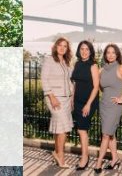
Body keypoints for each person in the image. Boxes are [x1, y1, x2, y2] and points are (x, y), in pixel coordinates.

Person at [96, 44, 122, 171]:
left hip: (114, 106)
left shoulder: (120, 68)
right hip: (104, 105)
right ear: (105, 55)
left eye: (113, 52)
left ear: (117, 55)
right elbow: (100, 87)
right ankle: (115, 158)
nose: (111, 55)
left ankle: (99, 163)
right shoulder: (101, 70)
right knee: (111, 134)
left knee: (105, 135)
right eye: (108, 52)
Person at [41, 37, 73, 168]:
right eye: (60, 45)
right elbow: (44, 79)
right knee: (63, 128)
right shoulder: (49, 60)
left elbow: (69, 81)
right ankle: (61, 157)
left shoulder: (66, 62)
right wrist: (51, 96)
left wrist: (71, 96)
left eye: (65, 46)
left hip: (66, 99)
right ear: (55, 46)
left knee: (60, 128)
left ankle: (56, 152)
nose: (62, 48)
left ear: (67, 49)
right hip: (54, 97)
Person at [72, 41, 101, 170]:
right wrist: (72, 100)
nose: (84, 51)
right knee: (80, 129)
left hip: (89, 102)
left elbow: (96, 87)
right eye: (82, 49)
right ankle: (85, 156)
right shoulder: (77, 64)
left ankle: (85, 158)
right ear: (79, 51)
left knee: (82, 130)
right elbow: (75, 84)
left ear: (90, 51)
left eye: (87, 49)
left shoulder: (93, 66)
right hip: (77, 101)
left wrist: (88, 104)